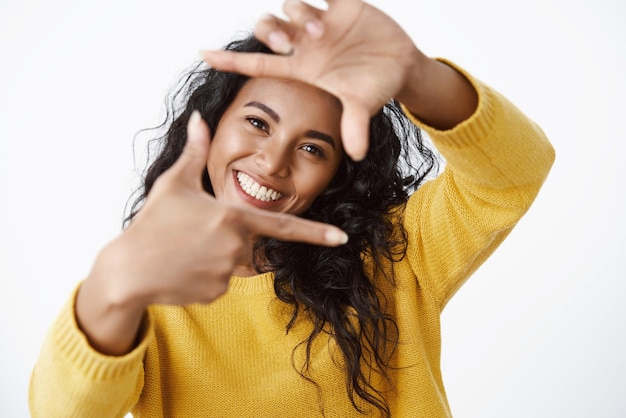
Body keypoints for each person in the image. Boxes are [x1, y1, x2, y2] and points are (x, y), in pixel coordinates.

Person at [28, 0, 555, 417]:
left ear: (337, 172)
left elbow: (514, 175)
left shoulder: (394, 257)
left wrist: (416, 74)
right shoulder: (149, 287)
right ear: (211, 125)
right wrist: (114, 285)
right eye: (258, 122)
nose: (272, 161)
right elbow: (63, 412)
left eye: (312, 148)